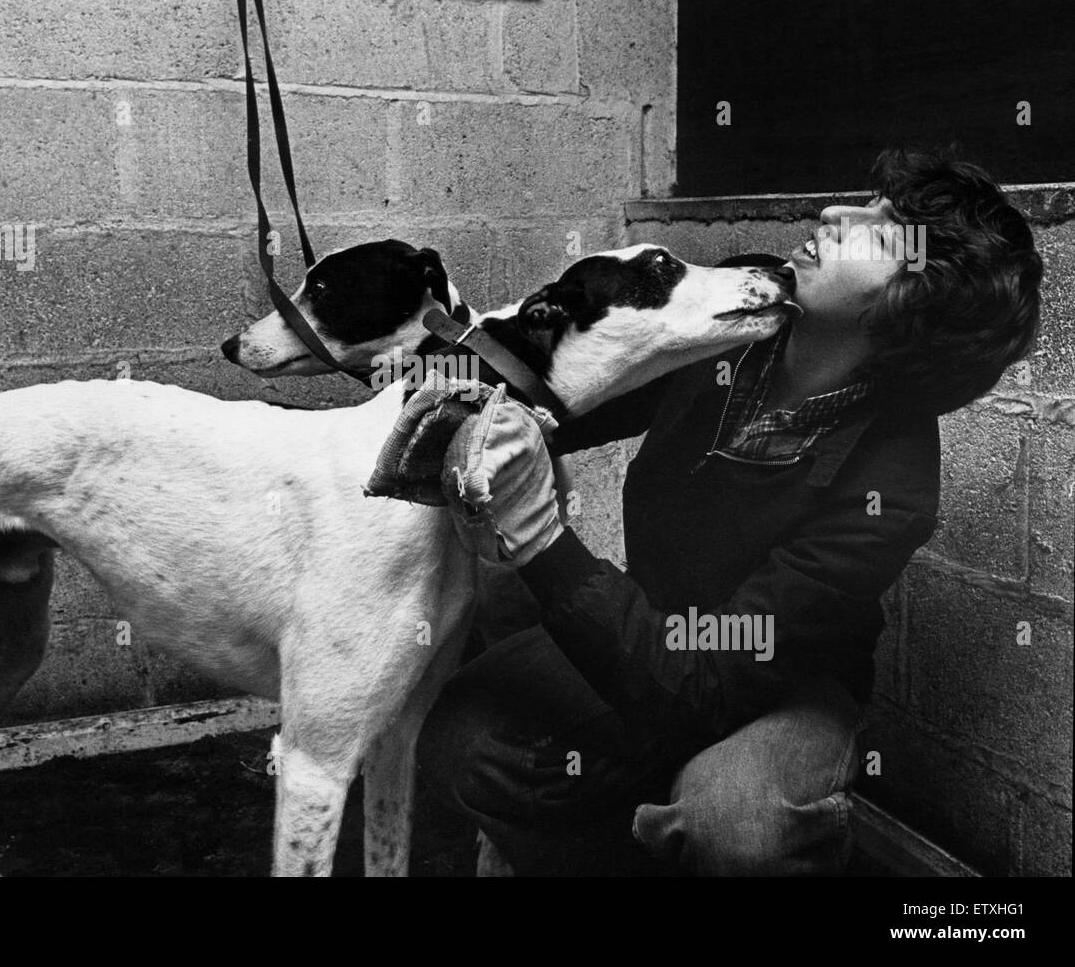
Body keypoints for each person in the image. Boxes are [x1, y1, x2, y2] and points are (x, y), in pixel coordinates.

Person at [417, 148, 1044, 876]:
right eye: (867, 202)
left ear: (914, 307)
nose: (836, 214)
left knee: (737, 821)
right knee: (463, 737)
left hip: (784, 688)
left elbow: (710, 684)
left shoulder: (894, 485)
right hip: (654, 621)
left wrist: (540, 534)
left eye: (882, 229)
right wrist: (462, 363)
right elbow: (573, 394)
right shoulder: (738, 303)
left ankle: (754, 822)